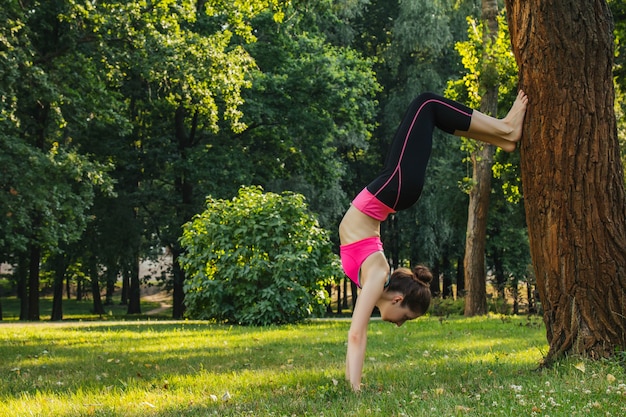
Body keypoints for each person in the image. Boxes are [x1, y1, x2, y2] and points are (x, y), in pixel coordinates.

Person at [340, 90, 528, 392]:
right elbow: (355, 334)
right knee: (427, 105)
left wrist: (353, 390)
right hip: (395, 188)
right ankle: (503, 133)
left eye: (404, 319)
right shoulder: (376, 277)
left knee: (429, 106)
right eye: (405, 319)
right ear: (398, 298)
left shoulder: (374, 278)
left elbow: (355, 335)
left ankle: (505, 134)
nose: (399, 324)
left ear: (398, 298)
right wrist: (352, 388)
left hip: (395, 187)